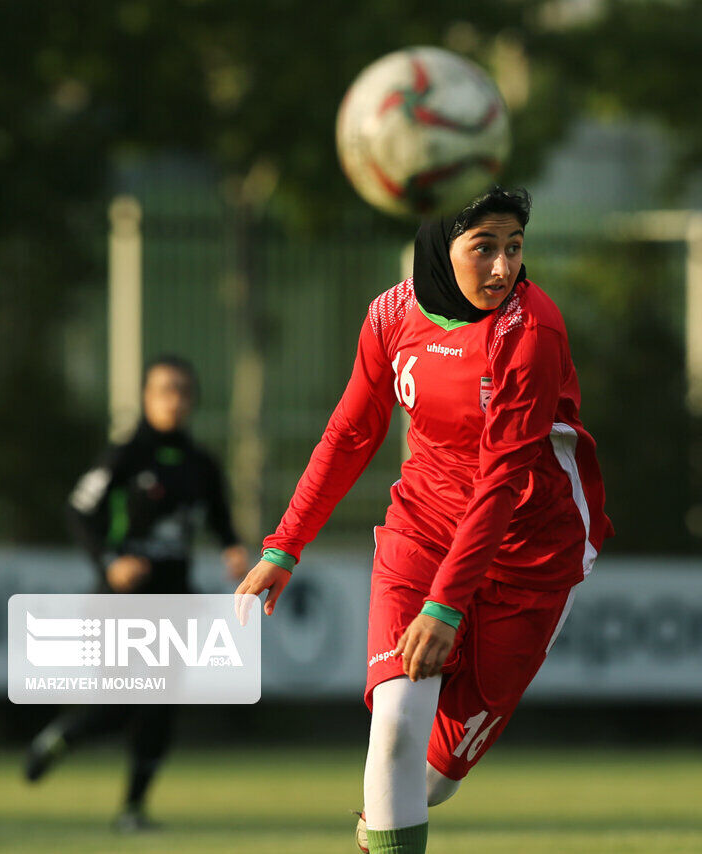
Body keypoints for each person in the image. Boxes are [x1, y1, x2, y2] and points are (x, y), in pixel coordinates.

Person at [234, 187, 611, 854]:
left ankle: (383, 824)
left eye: (514, 247)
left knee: (433, 778)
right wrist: (284, 546)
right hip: (424, 527)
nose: (503, 268)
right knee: (398, 726)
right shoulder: (391, 315)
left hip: (530, 552)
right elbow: (351, 433)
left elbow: (503, 479)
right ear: (441, 245)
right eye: (484, 247)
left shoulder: (532, 331)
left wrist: (444, 609)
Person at [25, 355, 250, 830]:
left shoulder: (200, 464)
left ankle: (132, 810)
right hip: (122, 601)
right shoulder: (124, 455)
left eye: (184, 391)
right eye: (165, 389)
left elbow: (219, 517)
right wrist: (111, 561)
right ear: (147, 397)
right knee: (118, 705)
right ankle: (61, 737)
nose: (175, 400)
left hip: (175, 602)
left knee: (161, 709)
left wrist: (232, 547)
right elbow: (78, 511)